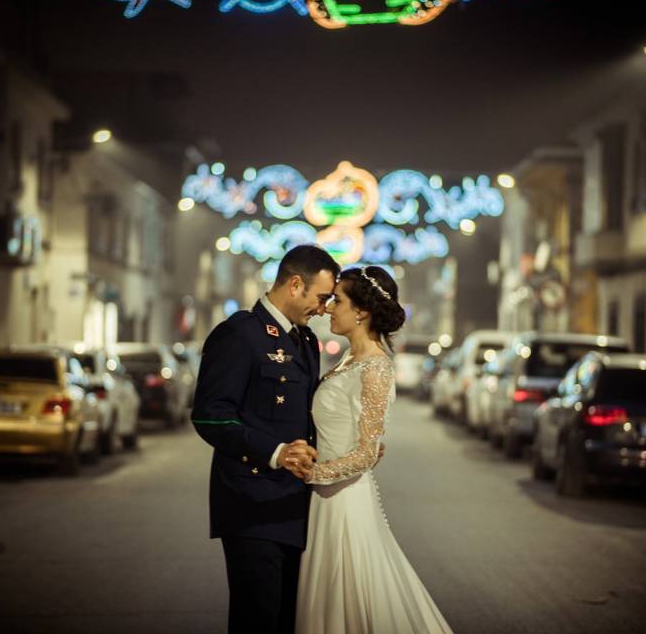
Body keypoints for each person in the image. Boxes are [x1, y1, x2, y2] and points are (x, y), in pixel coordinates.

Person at [294, 266, 453, 633]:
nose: (329, 308)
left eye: (338, 301)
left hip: (343, 500)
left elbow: (367, 453)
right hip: (325, 498)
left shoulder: (376, 368)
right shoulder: (349, 359)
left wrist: (310, 473)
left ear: (362, 311)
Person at [191, 244, 339, 634]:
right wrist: (274, 452)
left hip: (295, 503)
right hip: (251, 501)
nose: (323, 309)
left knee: (288, 618)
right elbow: (209, 415)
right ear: (295, 285)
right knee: (257, 618)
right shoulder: (239, 334)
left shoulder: (305, 341)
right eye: (321, 298)